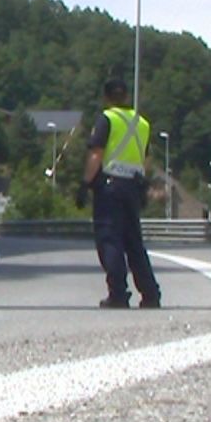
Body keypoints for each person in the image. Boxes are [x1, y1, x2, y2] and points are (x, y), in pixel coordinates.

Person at [76, 78, 161, 309]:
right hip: (133, 186)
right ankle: (150, 293)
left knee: (110, 239)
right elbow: (147, 158)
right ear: (126, 97)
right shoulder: (142, 123)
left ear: (106, 98)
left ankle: (118, 293)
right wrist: (143, 184)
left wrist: (85, 184)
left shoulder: (107, 119)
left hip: (110, 186)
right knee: (133, 241)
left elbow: (96, 154)